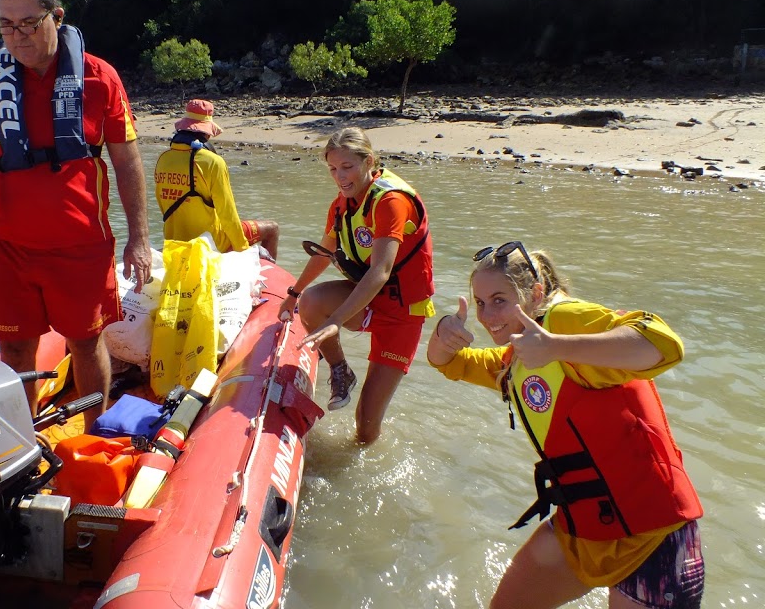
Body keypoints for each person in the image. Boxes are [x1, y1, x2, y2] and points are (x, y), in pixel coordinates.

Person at [426, 241, 704, 609]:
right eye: (480, 303)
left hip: (652, 535)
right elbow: (449, 363)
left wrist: (557, 347)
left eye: (499, 300)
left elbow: (663, 343)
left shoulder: (563, 320)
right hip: (588, 528)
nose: (487, 315)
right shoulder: (517, 354)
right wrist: (443, 334)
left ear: (536, 293)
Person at [0, 0, 152, 427]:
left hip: (82, 244)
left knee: (85, 341)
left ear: (56, 16)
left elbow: (127, 161)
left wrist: (138, 237)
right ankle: (22, 437)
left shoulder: (101, 78)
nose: (15, 36)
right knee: (14, 348)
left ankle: (93, 433)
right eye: (5, 24)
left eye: (27, 23)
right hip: (9, 249)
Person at [278, 127, 435, 444]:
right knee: (311, 302)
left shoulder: (390, 202)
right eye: (333, 169)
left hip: (402, 314)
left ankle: (364, 455)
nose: (340, 176)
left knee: (365, 423)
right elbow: (323, 254)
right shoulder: (340, 205)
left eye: (347, 167)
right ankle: (341, 372)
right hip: (370, 303)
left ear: (369, 161)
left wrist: (335, 321)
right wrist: (292, 294)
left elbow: (380, 270)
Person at [154, 98, 279, 259]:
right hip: (211, 243)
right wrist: (243, 251)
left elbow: (162, 204)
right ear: (206, 132)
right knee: (272, 229)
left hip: (173, 242)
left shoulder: (163, 159)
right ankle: (264, 278)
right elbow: (228, 215)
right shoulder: (213, 162)